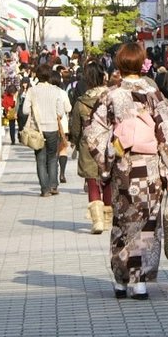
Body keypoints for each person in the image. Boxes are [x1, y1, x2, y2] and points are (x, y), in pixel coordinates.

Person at [85, 43, 168, 300]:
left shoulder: (110, 95)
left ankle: (121, 280)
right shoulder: (152, 93)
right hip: (150, 169)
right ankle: (139, 280)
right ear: (142, 63)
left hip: (124, 167)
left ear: (119, 64)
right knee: (146, 224)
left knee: (122, 222)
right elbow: (166, 131)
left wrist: (110, 153)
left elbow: (93, 132)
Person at [69, 62, 113, 234]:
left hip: (88, 144)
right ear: (103, 77)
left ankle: (97, 221)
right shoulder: (111, 96)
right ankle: (108, 219)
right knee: (107, 180)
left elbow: (75, 128)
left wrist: (75, 141)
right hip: (109, 143)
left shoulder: (81, 102)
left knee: (92, 181)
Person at [21, 65, 71, 196]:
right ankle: (53, 185)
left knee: (40, 159)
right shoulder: (56, 90)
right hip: (53, 128)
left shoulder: (32, 91)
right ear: (49, 75)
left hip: (37, 130)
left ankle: (45, 189)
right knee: (53, 157)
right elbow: (60, 112)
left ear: (37, 76)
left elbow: (25, 110)